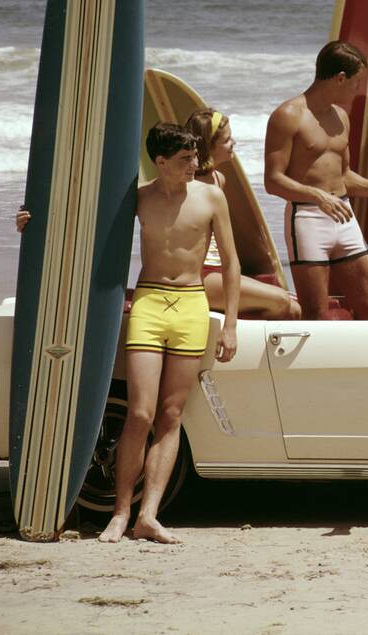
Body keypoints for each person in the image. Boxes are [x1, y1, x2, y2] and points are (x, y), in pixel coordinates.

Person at [98, 122, 240, 544]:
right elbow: (90, 234)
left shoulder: (212, 196)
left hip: (192, 304)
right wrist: (30, 220)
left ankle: (149, 515)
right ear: (159, 162)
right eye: (184, 160)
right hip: (150, 303)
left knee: (171, 415)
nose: (194, 164)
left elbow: (231, 263)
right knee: (140, 413)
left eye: (196, 156)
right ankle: (120, 512)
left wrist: (229, 324)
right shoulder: (139, 199)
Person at [263, 40, 368, 320]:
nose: (358, 90)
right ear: (340, 78)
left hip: (344, 216)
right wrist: (317, 195)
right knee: (316, 315)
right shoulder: (288, 116)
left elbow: (343, 176)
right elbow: (273, 181)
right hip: (307, 218)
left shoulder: (341, 117)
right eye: (356, 82)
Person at [183, 108, 301, 319]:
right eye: (228, 140)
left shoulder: (219, 179)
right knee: (283, 303)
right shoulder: (187, 185)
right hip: (202, 276)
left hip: (220, 271)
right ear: (209, 146)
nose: (234, 143)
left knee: (292, 307)